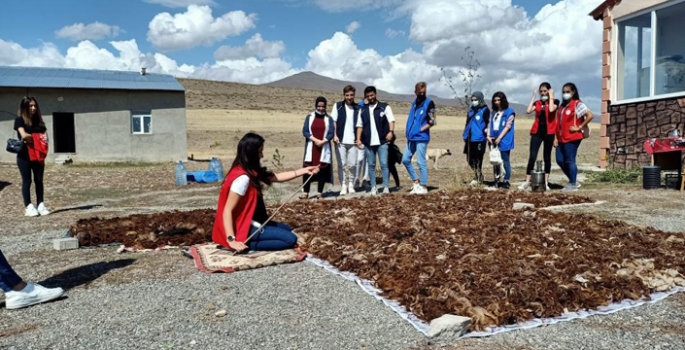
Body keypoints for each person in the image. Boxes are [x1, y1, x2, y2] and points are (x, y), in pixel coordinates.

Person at [212, 133, 320, 252]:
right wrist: (231, 240)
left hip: (252, 221)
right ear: (251, 154)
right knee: (290, 239)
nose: (262, 155)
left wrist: (304, 171)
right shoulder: (243, 178)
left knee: (287, 229)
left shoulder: (246, 169)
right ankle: (244, 244)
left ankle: (248, 239)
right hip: (243, 226)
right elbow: (227, 210)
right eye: (259, 152)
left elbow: (276, 177)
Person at [14, 96, 50, 217]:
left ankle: (40, 204)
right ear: (25, 107)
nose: (33, 108)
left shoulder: (40, 122)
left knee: (39, 180)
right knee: (27, 181)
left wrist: (34, 137)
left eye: (35, 106)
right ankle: (28, 206)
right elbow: (24, 135)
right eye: (30, 106)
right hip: (24, 156)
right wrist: (37, 137)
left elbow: (45, 137)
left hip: (38, 155)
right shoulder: (19, 120)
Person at [356, 86, 396, 195]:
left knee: (384, 164)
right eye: (368, 96)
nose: (370, 97)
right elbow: (359, 125)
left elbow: (391, 120)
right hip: (368, 142)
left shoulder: (384, 107)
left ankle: (386, 187)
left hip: (382, 141)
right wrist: (358, 139)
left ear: (376, 94)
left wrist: (390, 132)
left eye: (372, 95)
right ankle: (373, 187)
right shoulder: (363, 109)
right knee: (371, 165)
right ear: (365, 97)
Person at [555, 83, 594, 191]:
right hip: (561, 138)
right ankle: (573, 180)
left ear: (573, 92)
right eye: (563, 92)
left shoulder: (577, 104)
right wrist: (555, 138)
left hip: (572, 137)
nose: (565, 94)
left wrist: (579, 126)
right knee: (559, 160)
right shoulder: (562, 106)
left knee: (569, 160)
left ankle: (572, 183)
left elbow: (590, 115)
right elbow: (558, 123)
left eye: (567, 92)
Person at [520, 83, 558, 191]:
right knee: (532, 156)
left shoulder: (555, 102)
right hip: (537, 132)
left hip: (549, 133)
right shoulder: (537, 103)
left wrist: (551, 96)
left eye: (545, 91)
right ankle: (528, 181)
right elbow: (528, 111)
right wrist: (533, 96)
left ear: (549, 91)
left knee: (547, 157)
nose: (543, 93)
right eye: (541, 91)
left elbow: (551, 110)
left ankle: (545, 182)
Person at [401, 82, 435, 195]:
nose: (422, 94)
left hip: (421, 137)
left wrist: (420, 130)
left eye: (424, 92)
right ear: (415, 92)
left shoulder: (429, 103)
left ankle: (424, 186)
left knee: (421, 162)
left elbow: (432, 121)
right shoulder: (414, 103)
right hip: (411, 137)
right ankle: (416, 181)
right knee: (405, 159)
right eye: (419, 92)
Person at [301, 97, 335, 199]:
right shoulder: (309, 117)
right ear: (316, 106)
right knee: (308, 169)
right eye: (319, 106)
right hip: (312, 147)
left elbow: (331, 133)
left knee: (322, 169)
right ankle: (305, 192)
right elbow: (305, 131)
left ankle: (319, 192)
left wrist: (323, 141)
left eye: (323, 106)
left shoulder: (329, 119)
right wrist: (315, 140)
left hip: (323, 147)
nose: (320, 108)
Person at [331, 85, 361, 196]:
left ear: (354, 95)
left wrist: (358, 139)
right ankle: (343, 185)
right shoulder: (338, 106)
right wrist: (335, 135)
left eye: (351, 95)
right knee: (342, 164)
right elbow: (333, 121)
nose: (349, 97)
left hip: (353, 142)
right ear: (344, 95)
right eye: (347, 95)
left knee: (353, 164)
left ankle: (351, 184)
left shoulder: (358, 108)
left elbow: (359, 125)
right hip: (340, 141)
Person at [487, 92, 516, 189]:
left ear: (503, 100)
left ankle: (506, 180)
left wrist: (500, 137)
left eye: (498, 100)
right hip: (493, 138)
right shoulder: (493, 113)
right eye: (495, 100)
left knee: (505, 160)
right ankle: (497, 179)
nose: (496, 102)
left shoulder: (509, 112)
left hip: (504, 139)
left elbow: (508, 126)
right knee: (495, 160)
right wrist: (488, 135)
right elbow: (490, 124)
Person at [463, 91, 490, 185]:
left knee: (478, 159)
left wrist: (487, 133)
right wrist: (465, 134)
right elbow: (467, 123)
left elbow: (488, 123)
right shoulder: (471, 110)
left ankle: (477, 177)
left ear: (480, 99)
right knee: (469, 158)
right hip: (470, 138)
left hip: (480, 138)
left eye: (476, 100)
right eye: (472, 100)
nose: (474, 101)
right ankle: (478, 174)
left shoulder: (485, 110)